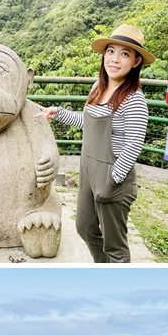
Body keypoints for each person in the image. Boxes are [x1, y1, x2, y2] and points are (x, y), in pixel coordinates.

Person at [35, 24, 154, 263]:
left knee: (115, 246)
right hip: (89, 173)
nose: (115, 59)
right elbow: (89, 122)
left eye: (124, 54)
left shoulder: (134, 100)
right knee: (84, 227)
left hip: (113, 178)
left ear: (136, 61)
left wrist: (112, 180)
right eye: (111, 51)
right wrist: (58, 113)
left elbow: (133, 145)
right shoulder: (98, 87)